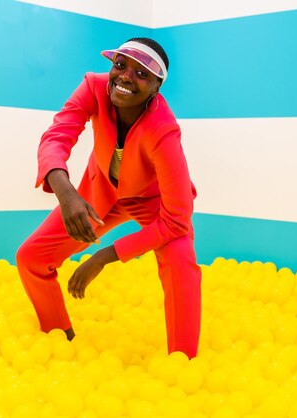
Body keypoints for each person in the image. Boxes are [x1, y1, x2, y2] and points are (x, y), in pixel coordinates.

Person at [15, 37, 201, 359]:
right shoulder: (93, 86)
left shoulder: (164, 130)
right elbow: (57, 135)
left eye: (142, 74)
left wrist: (104, 256)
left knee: (180, 261)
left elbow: (177, 219)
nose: (126, 76)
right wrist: (67, 193)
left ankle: (183, 362)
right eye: (120, 65)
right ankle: (60, 336)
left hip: (155, 204)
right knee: (31, 257)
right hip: (97, 193)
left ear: (157, 88)